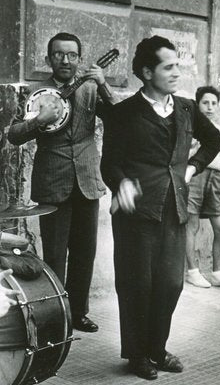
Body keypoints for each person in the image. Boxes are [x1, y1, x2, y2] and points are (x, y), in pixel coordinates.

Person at [101, 35, 220, 380]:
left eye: (177, 66)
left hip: (174, 208)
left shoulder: (185, 108)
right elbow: (109, 163)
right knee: (136, 284)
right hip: (137, 212)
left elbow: (214, 140)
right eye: (168, 67)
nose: (176, 73)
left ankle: (157, 347)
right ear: (146, 72)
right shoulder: (123, 113)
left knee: (171, 284)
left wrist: (193, 166)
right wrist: (121, 183)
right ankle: (137, 354)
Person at [8, 32, 118, 332]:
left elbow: (121, 118)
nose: (65, 60)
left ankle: (78, 312)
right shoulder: (35, 92)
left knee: (85, 252)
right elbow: (14, 134)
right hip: (52, 181)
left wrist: (104, 83)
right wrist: (37, 121)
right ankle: (56, 316)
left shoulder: (90, 90)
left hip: (87, 179)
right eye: (58, 54)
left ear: (80, 59)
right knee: (55, 254)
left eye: (71, 55)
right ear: (48, 59)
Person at [186, 86, 220, 289]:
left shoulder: (217, 129)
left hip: (214, 178)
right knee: (192, 225)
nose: (210, 107)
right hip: (195, 176)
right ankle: (193, 272)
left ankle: (217, 272)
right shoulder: (191, 127)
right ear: (198, 105)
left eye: (214, 103)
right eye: (205, 103)